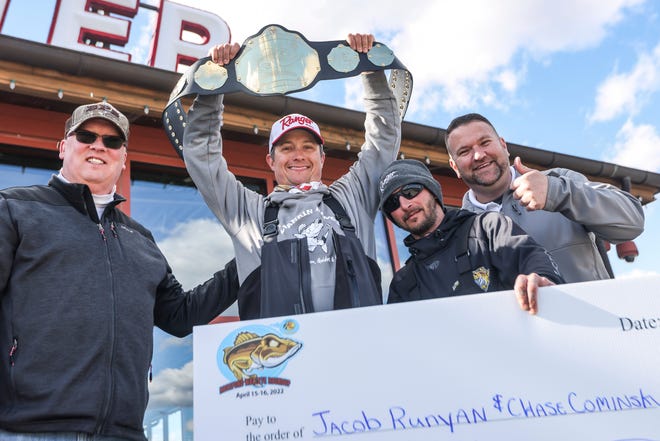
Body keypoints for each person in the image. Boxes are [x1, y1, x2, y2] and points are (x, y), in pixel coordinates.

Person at [0, 102, 239, 441]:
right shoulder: (14, 209)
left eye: (112, 142)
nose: (99, 145)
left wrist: (247, 261)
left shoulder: (141, 239)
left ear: (123, 158)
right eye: (86, 136)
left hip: (123, 433)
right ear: (63, 147)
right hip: (28, 430)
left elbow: (181, 316)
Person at [183, 33, 401, 319]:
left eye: (308, 147)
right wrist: (214, 84)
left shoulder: (352, 198)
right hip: (281, 358)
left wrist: (371, 69)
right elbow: (202, 156)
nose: (298, 155)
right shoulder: (248, 213)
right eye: (286, 148)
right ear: (271, 161)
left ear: (322, 158)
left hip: (358, 355)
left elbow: (382, 140)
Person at [444, 113, 645, 283]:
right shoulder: (457, 231)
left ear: (503, 146)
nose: (479, 155)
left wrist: (557, 193)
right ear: (455, 167)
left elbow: (632, 222)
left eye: (485, 142)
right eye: (465, 151)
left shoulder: (558, 180)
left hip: (592, 325)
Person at [378, 159, 564, 314]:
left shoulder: (487, 229)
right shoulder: (403, 283)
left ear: (432, 191)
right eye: (392, 203)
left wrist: (541, 279)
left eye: (410, 192)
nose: (404, 204)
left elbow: (532, 259)